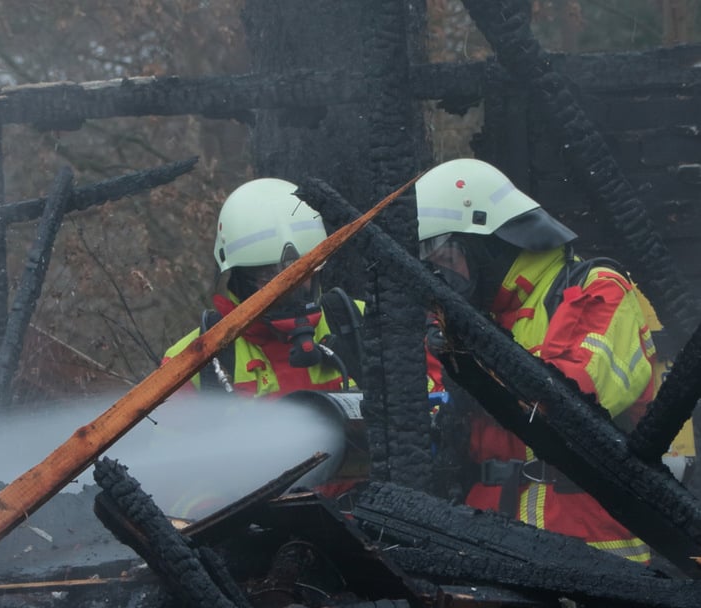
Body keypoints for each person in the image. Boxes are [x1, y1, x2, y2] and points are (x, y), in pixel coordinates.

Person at [415, 158, 657, 564]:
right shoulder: (464, 322)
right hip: (488, 536)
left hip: (592, 549)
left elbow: (566, 400)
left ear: (491, 246)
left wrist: (465, 368)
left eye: (447, 257)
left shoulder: (596, 289)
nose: (441, 278)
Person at [162, 177, 365, 398]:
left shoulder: (364, 323)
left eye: (301, 270)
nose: (290, 287)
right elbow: (164, 432)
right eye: (268, 274)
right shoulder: (189, 366)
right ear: (239, 279)